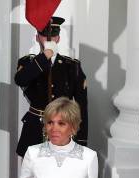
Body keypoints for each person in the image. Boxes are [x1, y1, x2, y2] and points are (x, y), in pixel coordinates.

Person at [15, 16, 88, 157]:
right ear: (37, 38)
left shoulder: (72, 67)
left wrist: (81, 141)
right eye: (44, 35)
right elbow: (20, 79)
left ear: (58, 38)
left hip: (62, 130)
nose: (49, 39)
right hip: (35, 130)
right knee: (32, 177)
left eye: (53, 35)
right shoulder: (28, 63)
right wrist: (45, 56)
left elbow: (81, 108)